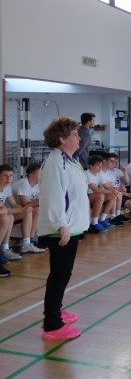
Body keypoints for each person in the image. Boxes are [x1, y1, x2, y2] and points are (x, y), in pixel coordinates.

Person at [39, 117, 89, 340]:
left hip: (71, 226)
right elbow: (54, 197)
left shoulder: (70, 160)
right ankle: (52, 325)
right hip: (61, 229)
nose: (79, 138)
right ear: (62, 139)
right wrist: (62, 225)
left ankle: (56, 311)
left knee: (62, 274)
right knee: (59, 275)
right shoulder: (55, 163)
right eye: (75, 135)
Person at [0, 164, 38, 260]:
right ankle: (3, 249)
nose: (9, 178)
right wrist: (21, 208)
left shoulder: (7, 187)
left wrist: (24, 209)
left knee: (26, 212)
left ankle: (25, 244)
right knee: (7, 217)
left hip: (5, 214)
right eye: (5, 175)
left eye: (11, 175)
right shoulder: (23, 183)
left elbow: (13, 204)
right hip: (3, 215)